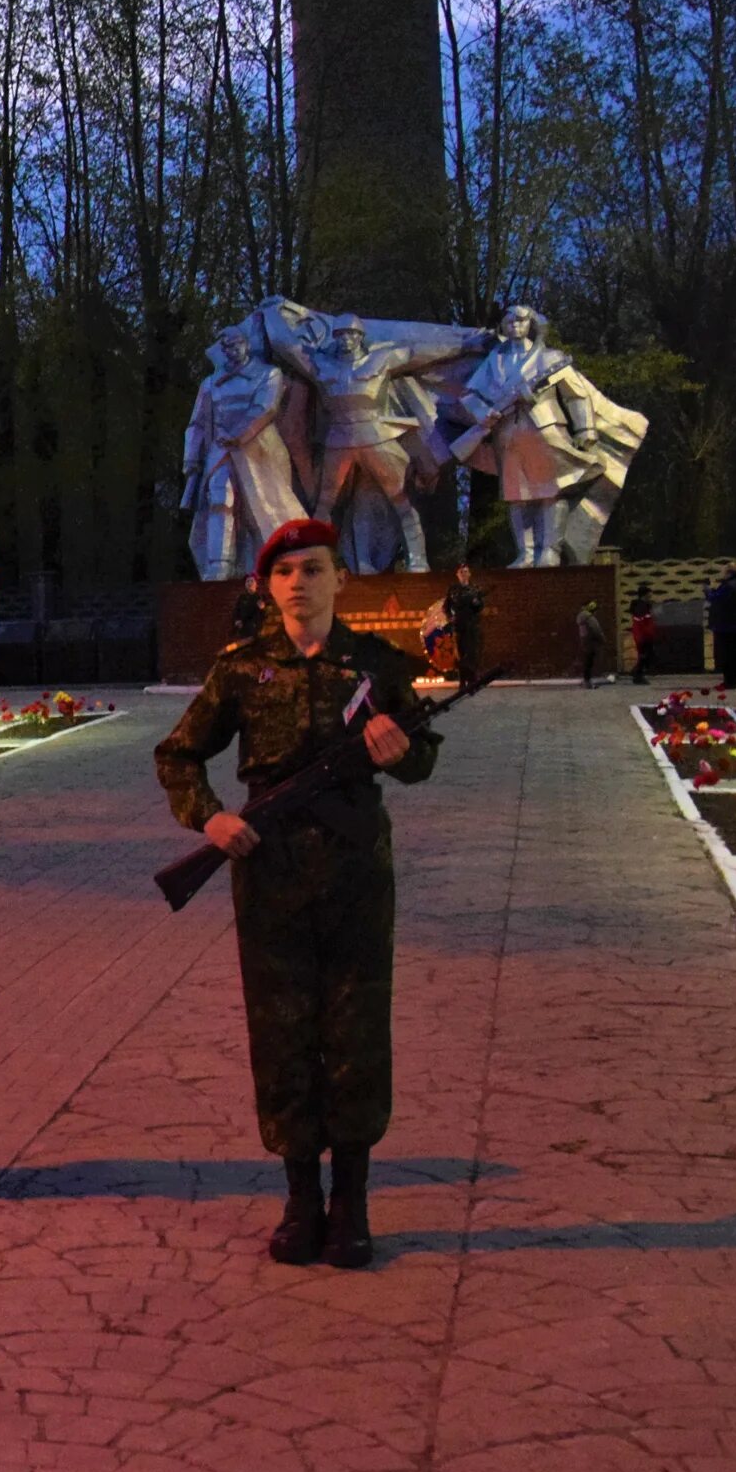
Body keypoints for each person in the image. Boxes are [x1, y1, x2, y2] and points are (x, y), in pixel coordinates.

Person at [153, 518, 442, 1269]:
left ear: (339, 580)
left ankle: (351, 1203)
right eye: (285, 573)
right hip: (271, 877)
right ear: (268, 585)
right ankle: (299, 1202)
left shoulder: (375, 665)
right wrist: (210, 818)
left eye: (314, 570)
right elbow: (179, 753)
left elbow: (423, 761)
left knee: (355, 1035)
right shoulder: (243, 668)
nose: (299, 584)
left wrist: (401, 753)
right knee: (281, 1038)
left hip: (354, 876)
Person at [442, 564, 487, 695]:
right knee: (460, 654)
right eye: (461, 572)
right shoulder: (453, 590)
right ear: (458, 574)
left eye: (466, 571)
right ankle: (463, 681)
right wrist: (450, 618)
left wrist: (476, 603)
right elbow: (446, 607)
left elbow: (480, 608)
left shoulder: (475, 589)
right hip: (459, 626)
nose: (464, 574)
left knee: (471, 654)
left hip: (472, 626)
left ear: (469, 574)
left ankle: (472, 681)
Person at [706, 564, 736, 689]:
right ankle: (734, 680)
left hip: (724, 624)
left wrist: (707, 590)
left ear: (729, 573)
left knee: (726, 654)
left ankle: (729, 681)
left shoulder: (728, 586)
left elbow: (715, 598)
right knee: (734, 654)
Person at [575, 600, 608, 690]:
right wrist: (602, 639)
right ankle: (587, 682)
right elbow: (596, 630)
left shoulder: (581, 618)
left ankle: (586, 681)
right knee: (589, 662)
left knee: (587, 661)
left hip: (585, 642)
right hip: (591, 643)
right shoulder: (590, 618)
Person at [626, 585, 655, 686]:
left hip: (642, 635)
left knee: (644, 656)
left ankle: (637, 673)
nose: (651, 594)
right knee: (643, 656)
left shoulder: (642, 605)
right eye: (649, 592)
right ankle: (637, 675)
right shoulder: (641, 607)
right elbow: (642, 622)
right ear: (645, 594)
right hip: (643, 635)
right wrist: (648, 634)